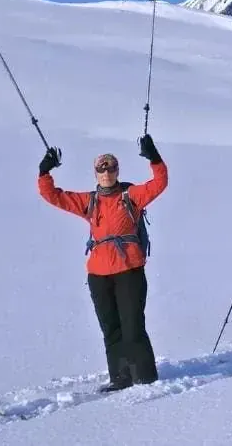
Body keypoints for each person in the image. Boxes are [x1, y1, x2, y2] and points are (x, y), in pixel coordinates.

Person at [37, 135, 168, 393]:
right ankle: (120, 378)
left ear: (117, 171)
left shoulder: (131, 196)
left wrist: (154, 157)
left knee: (132, 326)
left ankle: (145, 379)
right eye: (101, 168)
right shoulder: (90, 201)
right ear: (95, 173)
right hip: (98, 275)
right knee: (111, 328)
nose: (106, 172)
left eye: (111, 168)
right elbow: (53, 196)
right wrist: (44, 171)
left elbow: (160, 183)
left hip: (129, 270)